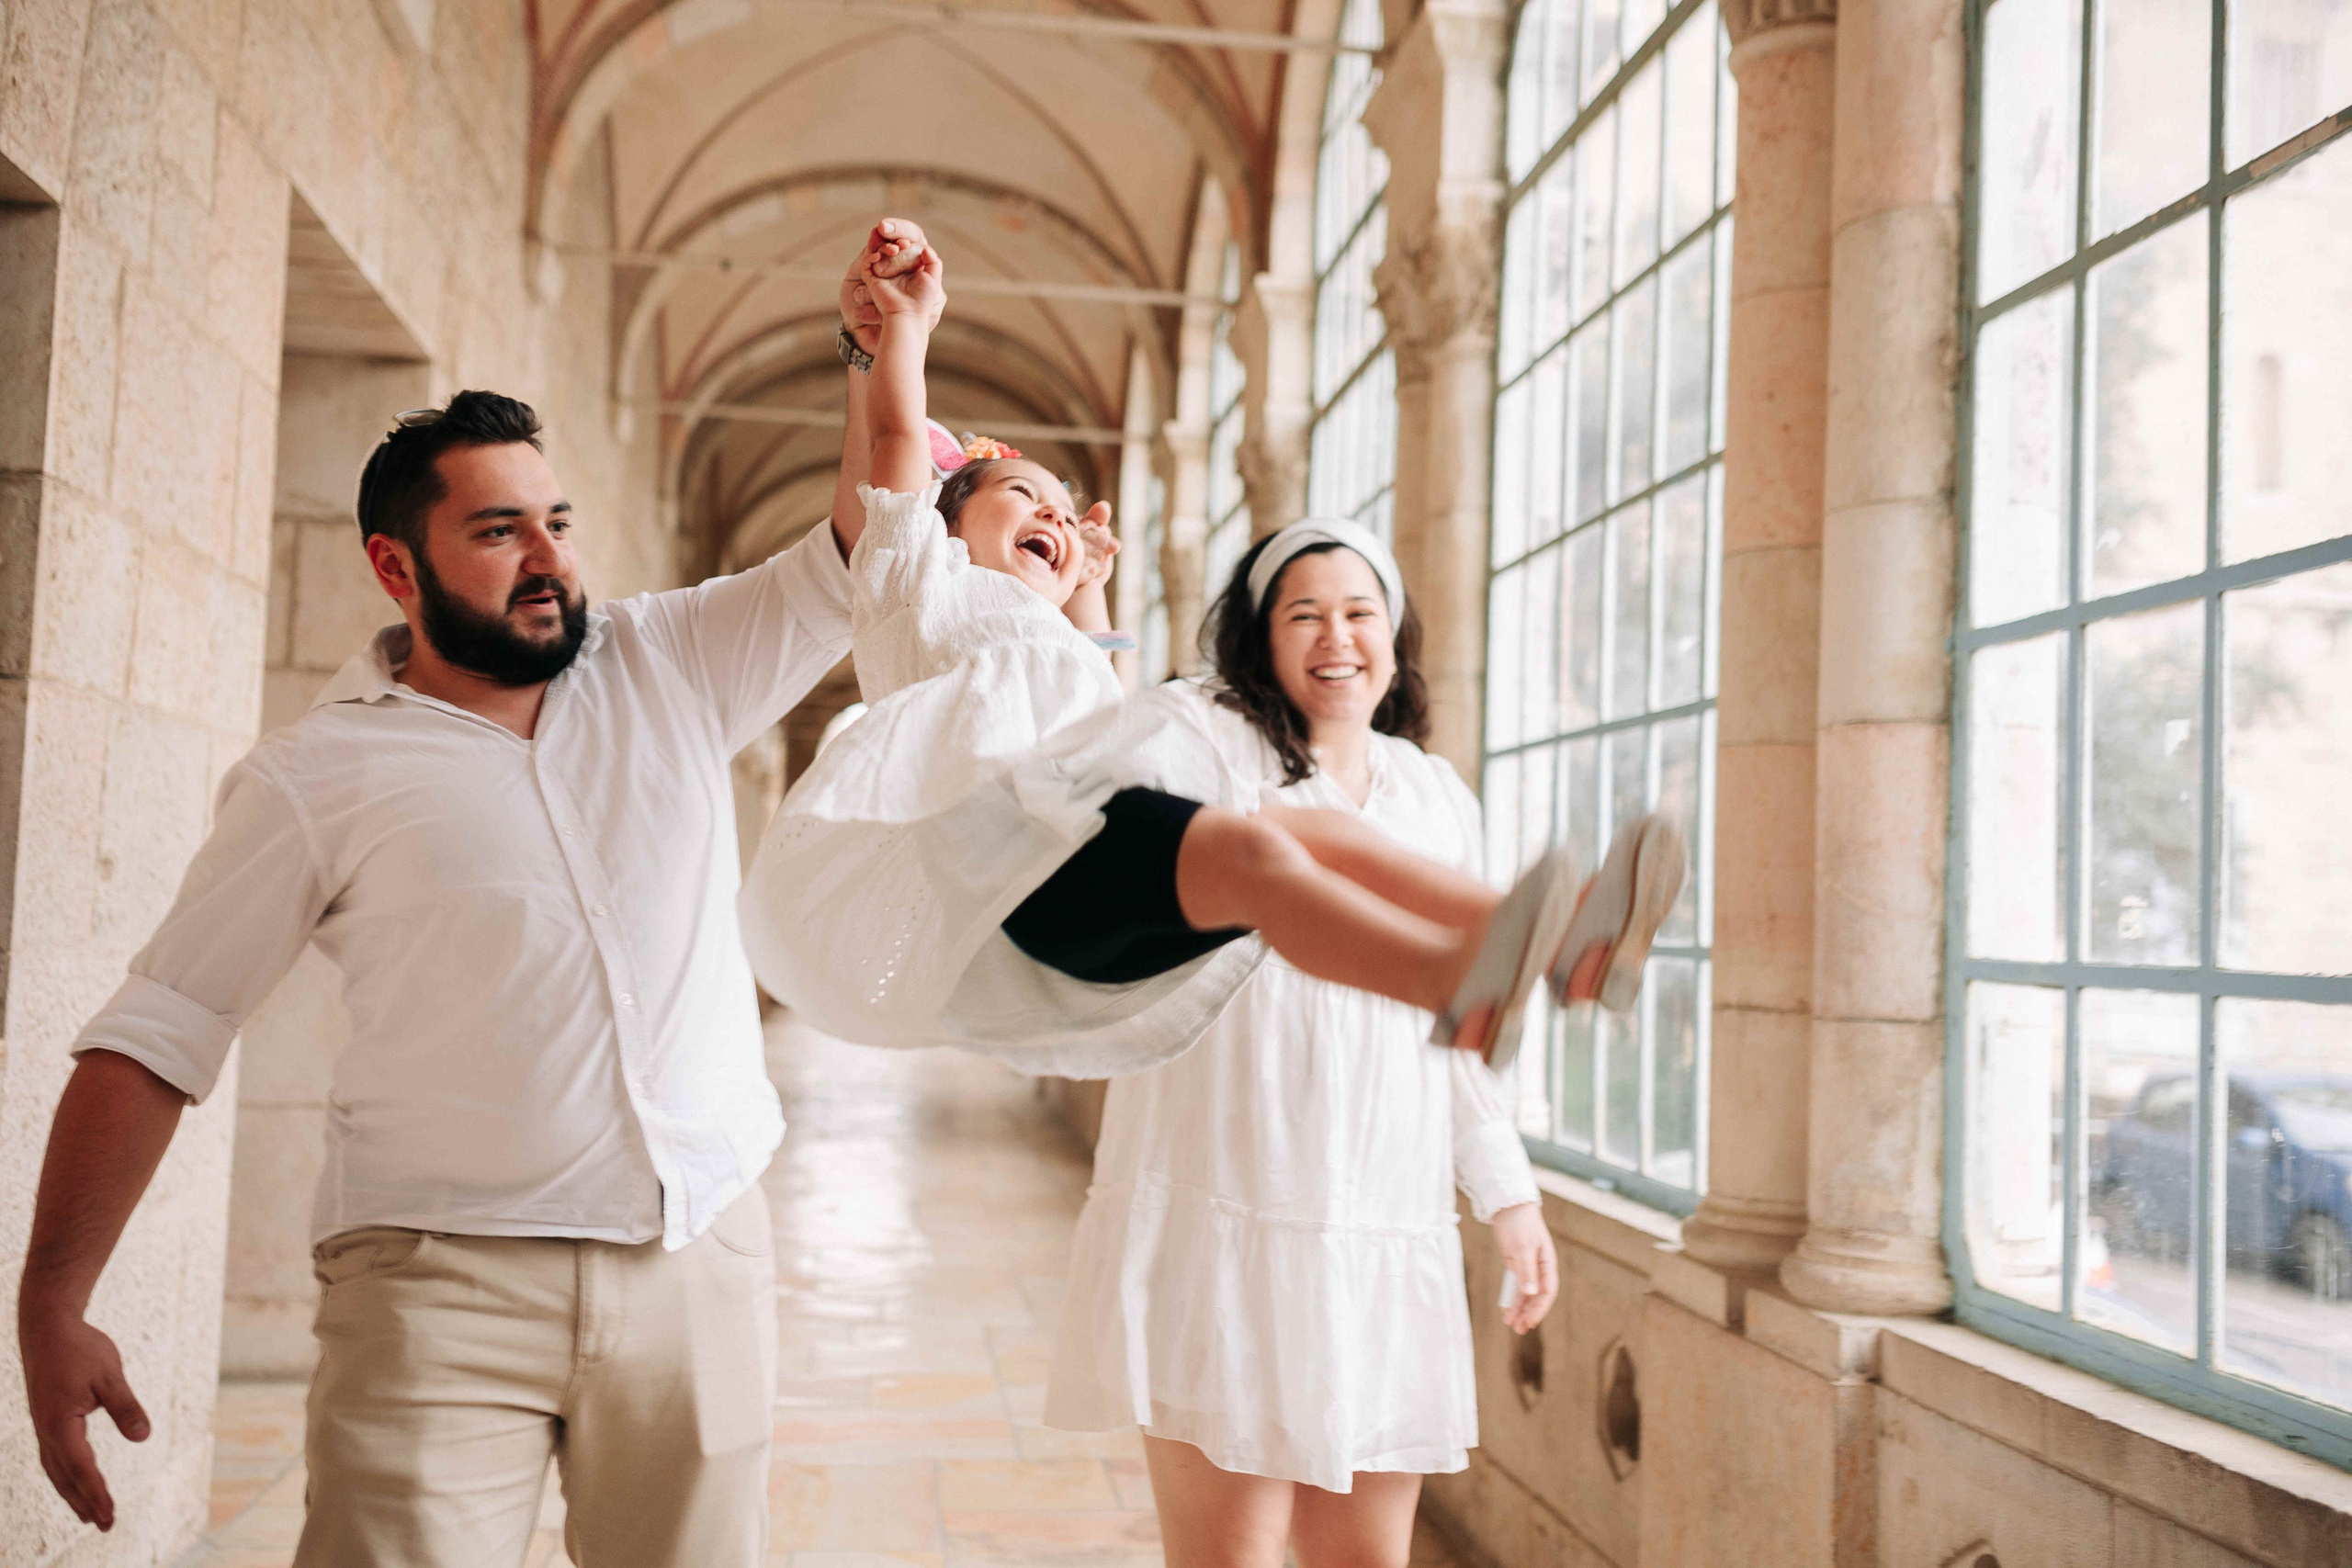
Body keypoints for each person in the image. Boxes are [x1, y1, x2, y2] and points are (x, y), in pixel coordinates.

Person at [11, 220, 944, 1563]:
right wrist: (56, 1298)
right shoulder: (315, 773)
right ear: (400, 567)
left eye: (556, 521)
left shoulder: (667, 659)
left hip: (699, 1261)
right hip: (435, 1294)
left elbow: (867, 540)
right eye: (500, 531)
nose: (550, 558)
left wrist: (882, 351)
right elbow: (158, 1029)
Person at [739, 239, 1684, 1078]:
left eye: (1064, 516)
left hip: (1087, 862)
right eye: (1023, 496)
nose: (1052, 519)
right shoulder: (919, 592)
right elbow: (900, 442)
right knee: (1255, 850)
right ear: (946, 521)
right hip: (1021, 882)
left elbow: (1103, 723)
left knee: (1305, 832)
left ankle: (1558, 943)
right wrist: (903, 328)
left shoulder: (1050, 645)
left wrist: (1085, 591)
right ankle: (1456, 985)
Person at [1045, 522, 1579, 1568]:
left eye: (1359, 611)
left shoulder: (1432, 792)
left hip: (1382, 1214)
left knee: (1366, 1559)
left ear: (1395, 635)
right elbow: (1088, 774)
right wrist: (1082, 613)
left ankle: (1564, 940)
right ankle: (1560, 938)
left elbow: (1465, 1043)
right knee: (1226, 1557)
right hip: (1227, 1205)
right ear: (1257, 638)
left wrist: (1507, 1195)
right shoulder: (1199, 734)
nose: (1337, 638)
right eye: (1303, 614)